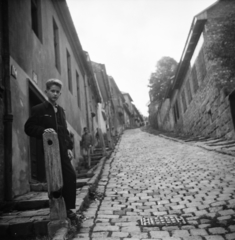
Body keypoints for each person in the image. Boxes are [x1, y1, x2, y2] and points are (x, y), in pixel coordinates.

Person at [24, 79, 77, 221]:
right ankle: (56, 209)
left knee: (70, 176)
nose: (55, 94)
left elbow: (64, 131)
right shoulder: (39, 109)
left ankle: (68, 209)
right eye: (52, 91)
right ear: (46, 91)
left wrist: (69, 147)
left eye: (57, 92)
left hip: (63, 150)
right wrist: (43, 131)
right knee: (54, 180)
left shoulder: (60, 111)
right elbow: (28, 128)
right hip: (49, 152)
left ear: (60, 94)